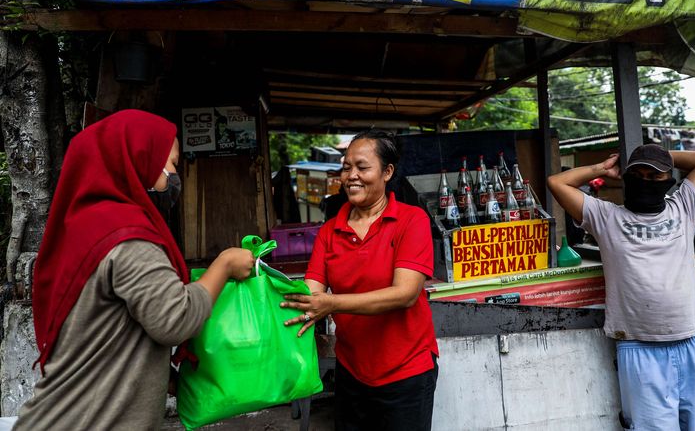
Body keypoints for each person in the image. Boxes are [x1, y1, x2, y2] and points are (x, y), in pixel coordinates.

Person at [14, 110, 254, 430]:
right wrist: (223, 265)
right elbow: (175, 319)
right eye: (169, 164)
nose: (173, 176)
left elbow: (104, 327)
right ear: (135, 160)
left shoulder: (85, 227)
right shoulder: (128, 239)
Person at [547, 144, 695, 431]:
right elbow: (556, 182)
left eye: (656, 176)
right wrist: (601, 169)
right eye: (639, 174)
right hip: (639, 346)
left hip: (691, 340)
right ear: (626, 178)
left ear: (669, 180)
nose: (647, 181)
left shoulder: (682, 207)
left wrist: (657, 155)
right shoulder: (605, 217)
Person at [280, 129, 439, 431]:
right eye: (346, 167)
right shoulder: (330, 231)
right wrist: (262, 285)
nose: (351, 175)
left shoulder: (411, 220)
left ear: (387, 172)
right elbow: (311, 292)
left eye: (362, 167)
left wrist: (331, 303)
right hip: (352, 371)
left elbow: (404, 293)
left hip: (406, 371)